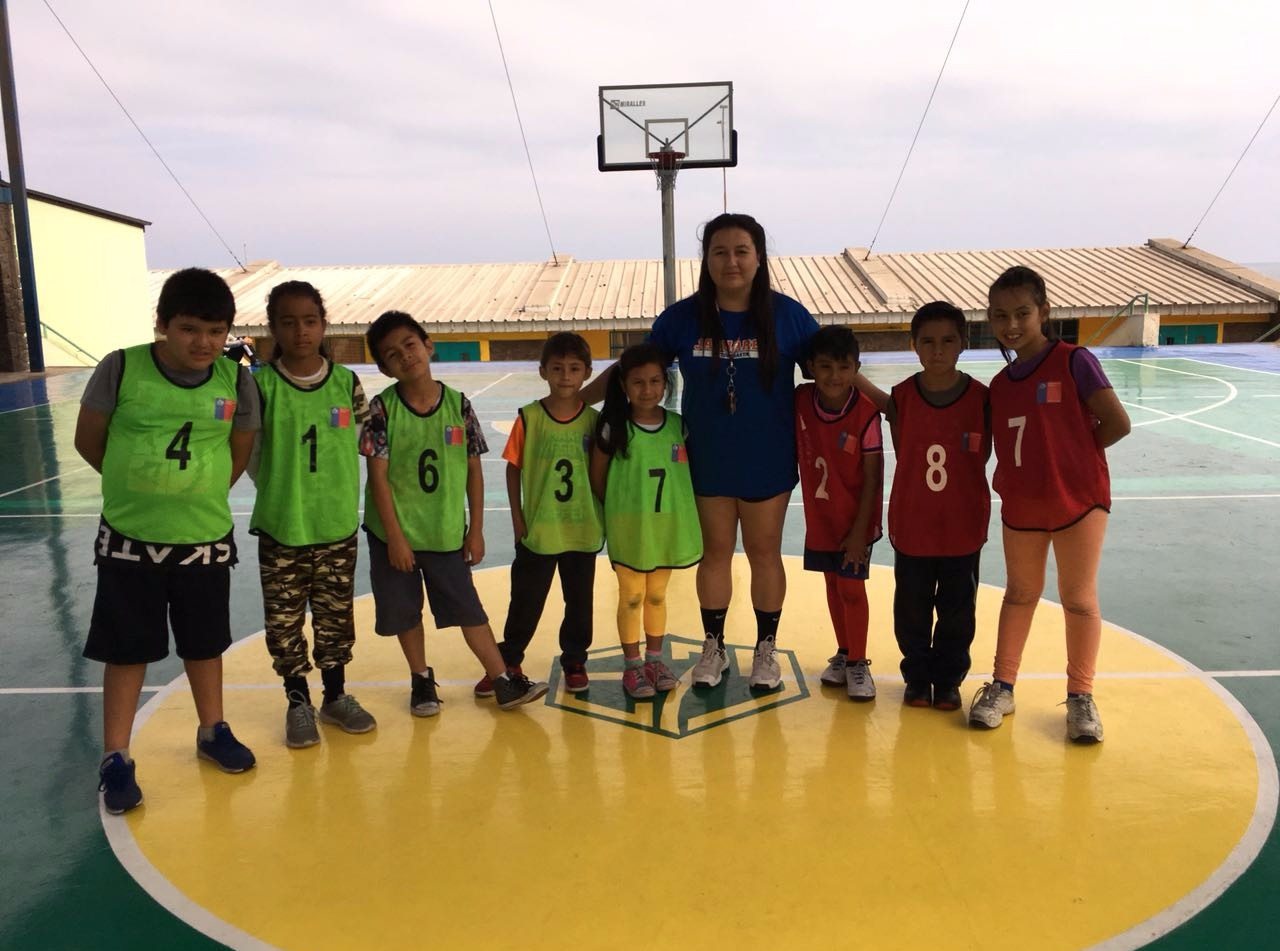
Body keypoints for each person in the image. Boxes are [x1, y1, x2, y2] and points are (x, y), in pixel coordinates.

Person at [585, 213, 820, 690]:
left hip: (768, 458)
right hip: (705, 459)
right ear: (706, 259)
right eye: (720, 252)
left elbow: (834, 369)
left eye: (741, 251)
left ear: (759, 258)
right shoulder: (682, 318)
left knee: (765, 554)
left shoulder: (787, 315)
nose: (731, 261)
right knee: (715, 554)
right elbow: (634, 368)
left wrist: (886, 404)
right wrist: (572, 402)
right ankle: (714, 648)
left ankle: (766, 650)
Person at [75, 268, 259, 815]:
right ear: (162, 324)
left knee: (205, 643)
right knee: (126, 649)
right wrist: (140, 490)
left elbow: (240, 450)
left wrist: (196, 494)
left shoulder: (236, 381)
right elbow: (89, 440)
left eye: (215, 331)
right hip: (131, 539)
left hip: (203, 538)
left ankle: (212, 730)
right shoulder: (121, 367)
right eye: (189, 329)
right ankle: (116, 757)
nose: (203, 342)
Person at [968, 266, 1130, 742]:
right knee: (1019, 594)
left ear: (1044, 312)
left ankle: (1081, 696)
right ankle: (1002, 687)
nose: (1012, 324)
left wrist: (1074, 457)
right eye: (1001, 316)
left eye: (1022, 313)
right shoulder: (1000, 384)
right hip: (1023, 504)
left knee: (1078, 599)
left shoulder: (1075, 361)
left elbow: (1117, 423)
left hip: (1077, 501)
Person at [360, 311, 548, 713]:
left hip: (444, 531)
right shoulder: (382, 409)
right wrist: (395, 538)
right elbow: (378, 478)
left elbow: (474, 471)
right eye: (392, 354)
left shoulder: (458, 405)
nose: (405, 355)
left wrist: (475, 529)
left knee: (468, 608)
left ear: (428, 345)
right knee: (406, 611)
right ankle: (421, 680)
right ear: (384, 368)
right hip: (394, 534)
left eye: (410, 344)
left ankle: (502, 680)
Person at [249, 281, 376, 748]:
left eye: (309, 321)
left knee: (334, 616)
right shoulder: (260, 385)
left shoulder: (346, 383)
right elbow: (251, 453)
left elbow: (365, 444)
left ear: (323, 325)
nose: (300, 331)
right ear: (273, 328)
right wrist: (282, 489)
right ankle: (297, 700)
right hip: (282, 525)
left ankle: (335, 696)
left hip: (336, 525)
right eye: (288, 322)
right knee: (284, 621)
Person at [857, 302, 991, 711]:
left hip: (963, 525)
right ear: (913, 345)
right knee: (911, 609)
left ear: (963, 343)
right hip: (913, 523)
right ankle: (917, 677)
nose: (938, 350)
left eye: (948, 340)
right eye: (928, 341)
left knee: (958, 611)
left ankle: (948, 680)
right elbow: (877, 404)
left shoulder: (982, 398)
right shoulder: (902, 397)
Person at [477, 332, 602, 697]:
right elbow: (513, 468)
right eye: (557, 368)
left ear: (587, 373)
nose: (566, 376)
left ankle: (575, 659)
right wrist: (518, 519)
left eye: (574, 368)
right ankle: (509, 660)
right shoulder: (530, 417)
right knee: (525, 600)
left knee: (579, 603)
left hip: (582, 528)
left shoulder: (594, 421)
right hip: (540, 529)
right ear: (543, 371)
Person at [589, 343, 702, 699]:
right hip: (631, 529)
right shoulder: (614, 427)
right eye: (638, 382)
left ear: (666, 384)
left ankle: (654, 660)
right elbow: (598, 477)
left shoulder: (678, 427)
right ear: (623, 385)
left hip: (665, 528)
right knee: (632, 595)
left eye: (655, 381)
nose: (647, 389)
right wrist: (619, 510)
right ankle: (632, 665)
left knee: (656, 594)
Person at [794, 326, 884, 701]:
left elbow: (873, 479)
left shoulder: (866, 414)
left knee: (851, 588)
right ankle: (845, 652)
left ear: (856, 369)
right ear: (811, 367)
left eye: (844, 367)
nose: (834, 376)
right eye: (826, 366)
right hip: (822, 518)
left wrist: (859, 532)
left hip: (855, 520)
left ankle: (859, 663)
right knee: (832, 585)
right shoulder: (801, 400)